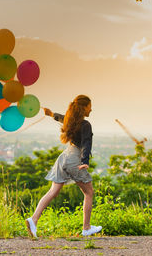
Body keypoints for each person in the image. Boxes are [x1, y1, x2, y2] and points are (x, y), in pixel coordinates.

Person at [25, 95, 102, 238]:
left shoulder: (70, 121)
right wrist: (85, 161)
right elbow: (86, 143)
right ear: (84, 107)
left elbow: (62, 118)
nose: (91, 109)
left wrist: (51, 114)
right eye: (90, 106)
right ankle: (86, 228)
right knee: (89, 192)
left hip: (64, 157)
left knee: (53, 191)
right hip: (75, 159)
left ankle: (33, 220)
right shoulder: (85, 125)